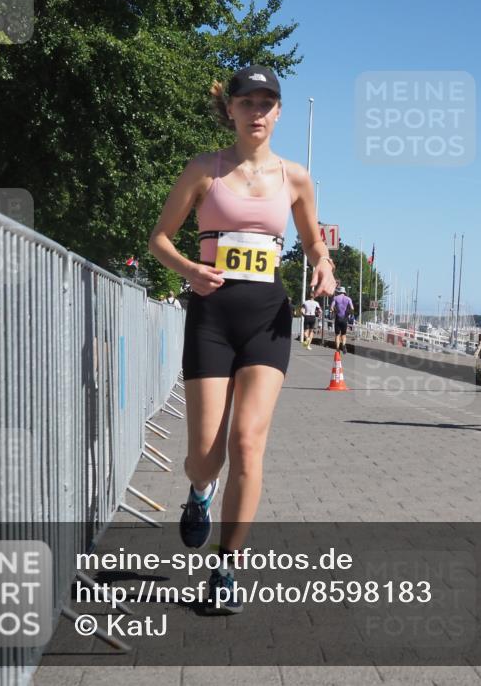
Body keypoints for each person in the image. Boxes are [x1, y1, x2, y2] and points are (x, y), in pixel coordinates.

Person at [148, 64, 336, 613]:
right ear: (229, 109)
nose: (257, 112)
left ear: (278, 112)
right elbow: (159, 239)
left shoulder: (296, 179)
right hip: (210, 318)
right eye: (247, 102)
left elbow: (313, 243)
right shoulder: (204, 170)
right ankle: (199, 492)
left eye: (267, 103)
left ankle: (226, 566)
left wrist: (324, 265)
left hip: (267, 320)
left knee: (248, 444)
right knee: (205, 456)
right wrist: (188, 270)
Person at [330, 286, 354, 353]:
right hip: (344, 318)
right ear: (344, 292)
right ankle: (343, 345)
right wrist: (348, 313)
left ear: (339, 292)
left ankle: (337, 350)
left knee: (337, 334)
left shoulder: (335, 298)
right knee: (343, 334)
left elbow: (331, 308)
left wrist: (334, 311)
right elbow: (352, 308)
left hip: (338, 318)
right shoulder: (348, 299)